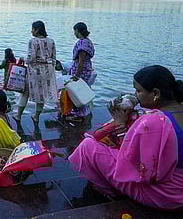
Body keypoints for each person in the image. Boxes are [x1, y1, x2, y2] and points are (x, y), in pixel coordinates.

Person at [69, 65, 183, 210]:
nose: (135, 95)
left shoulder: (153, 122)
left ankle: (111, 190)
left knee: (87, 147)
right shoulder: (173, 111)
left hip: (163, 194)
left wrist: (120, 123)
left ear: (156, 93)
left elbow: (137, 168)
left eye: (138, 91)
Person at [14, 21, 57, 124]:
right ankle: (36, 116)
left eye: (32, 29)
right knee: (42, 94)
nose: (31, 31)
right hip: (48, 71)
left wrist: (22, 58)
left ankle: (18, 115)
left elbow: (30, 58)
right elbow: (54, 57)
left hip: (35, 71)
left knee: (26, 92)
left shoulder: (33, 41)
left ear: (37, 29)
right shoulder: (51, 41)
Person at [67, 22, 95, 122]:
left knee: (77, 92)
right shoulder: (88, 41)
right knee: (81, 91)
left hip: (81, 71)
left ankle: (78, 115)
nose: (74, 33)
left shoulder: (82, 43)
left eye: (75, 31)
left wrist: (76, 75)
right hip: (86, 68)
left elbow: (81, 61)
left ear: (78, 31)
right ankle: (82, 113)